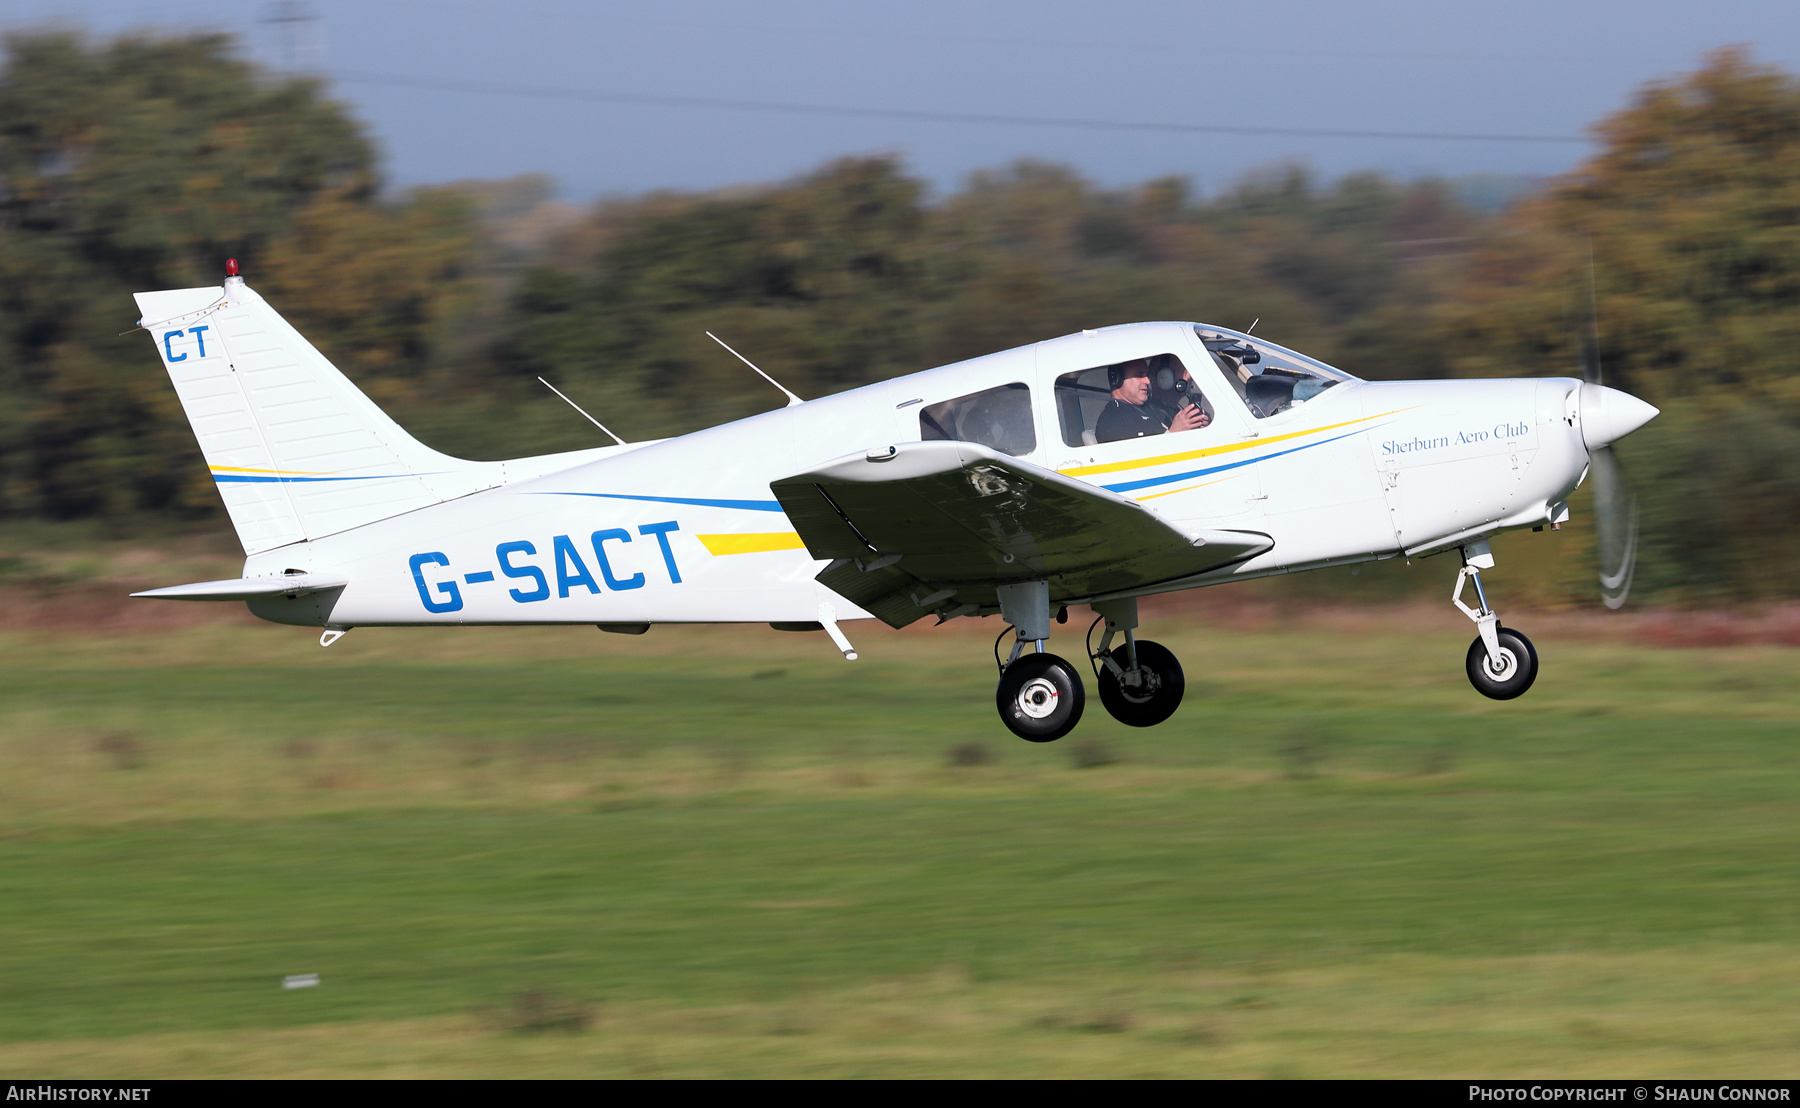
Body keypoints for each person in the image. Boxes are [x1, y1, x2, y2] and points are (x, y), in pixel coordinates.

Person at [1093, 359, 1207, 443]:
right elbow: (1139, 465)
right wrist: (1174, 432)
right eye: (1140, 375)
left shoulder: (1148, 409)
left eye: (1147, 375)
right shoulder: (1113, 422)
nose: (1147, 380)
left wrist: (1196, 424)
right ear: (1117, 378)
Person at [1147, 357, 1211, 433]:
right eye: (1182, 371)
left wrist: (1206, 429)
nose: (1189, 377)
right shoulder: (1146, 417)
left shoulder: (1174, 412)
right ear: (1164, 376)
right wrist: (1175, 430)